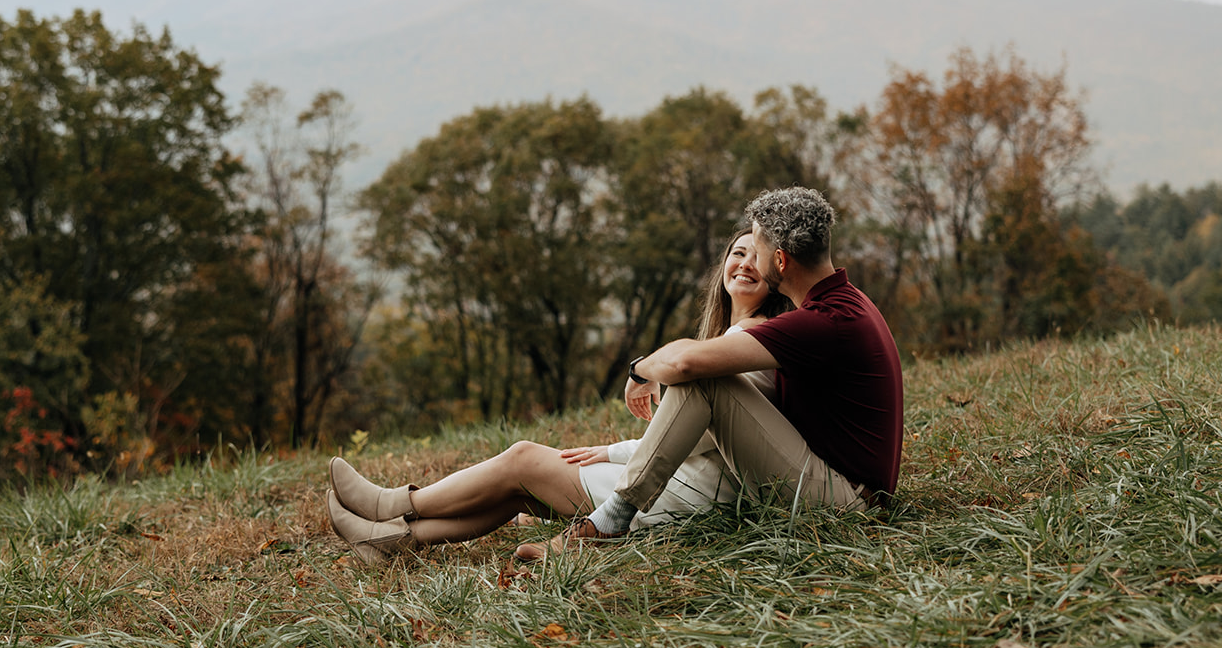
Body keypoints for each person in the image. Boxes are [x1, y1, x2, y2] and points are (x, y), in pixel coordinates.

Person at [324, 221, 788, 564]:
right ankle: (387, 543)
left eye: (757, 258)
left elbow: (701, 436)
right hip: (682, 485)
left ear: (777, 274)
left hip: (686, 495)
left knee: (523, 459)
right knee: (519, 494)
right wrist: (610, 451)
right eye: (737, 252)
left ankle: (391, 504)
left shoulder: (754, 339)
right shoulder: (733, 335)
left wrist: (613, 452)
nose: (744, 263)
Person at [546, 185, 904, 552]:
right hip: (845, 487)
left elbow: (684, 363)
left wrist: (640, 370)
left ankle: (614, 517)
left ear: (780, 261)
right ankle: (606, 513)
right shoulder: (846, 301)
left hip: (849, 503)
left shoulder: (820, 321)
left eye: (759, 251)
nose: (752, 262)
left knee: (704, 381)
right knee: (705, 379)